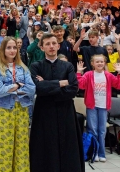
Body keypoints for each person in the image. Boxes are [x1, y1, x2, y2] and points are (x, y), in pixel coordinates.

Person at [29, 33, 84, 172]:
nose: (51, 46)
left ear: (59, 46)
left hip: (65, 111)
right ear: (42, 48)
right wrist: (60, 83)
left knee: (68, 145)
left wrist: (47, 86)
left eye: (54, 43)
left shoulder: (68, 66)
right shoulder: (36, 66)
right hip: (44, 111)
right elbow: (37, 88)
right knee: (45, 145)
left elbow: (73, 89)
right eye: (47, 44)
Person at [0, 37, 35, 172]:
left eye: (14, 47)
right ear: (3, 50)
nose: (12, 50)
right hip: (5, 110)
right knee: (5, 148)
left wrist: (11, 89)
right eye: (9, 47)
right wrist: (18, 86)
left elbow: (32, 89)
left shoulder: (23, 68)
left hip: (22, 109)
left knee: (22, 147)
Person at [77, 56, 120, 162]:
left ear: (104, 63)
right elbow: (81, 85)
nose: (100, 63)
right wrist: (78, 73)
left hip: (103, 106)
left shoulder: (108, 75)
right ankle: (93, 152)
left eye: (102, 61)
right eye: (97, 61)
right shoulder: (88, 74)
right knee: (93, 130)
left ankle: (101, 153)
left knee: (102, 131)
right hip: (92, 106)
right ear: (92, 63)